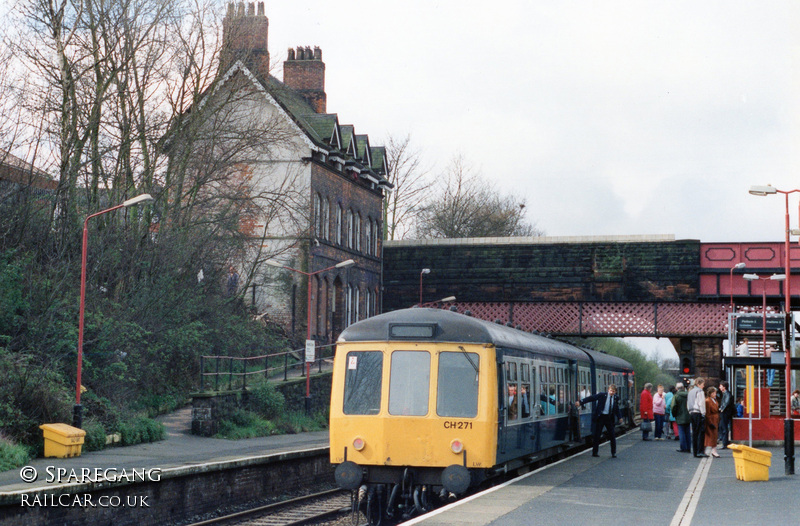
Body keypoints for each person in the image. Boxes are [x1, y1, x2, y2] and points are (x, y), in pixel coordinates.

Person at [577, 384, 623, 458]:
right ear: (608, 390)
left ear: (615, 392)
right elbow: (592, 398)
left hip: (609, 418)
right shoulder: (602, 395)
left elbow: (616, 408)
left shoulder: (615, 398)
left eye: (613, 391)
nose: (612, 392)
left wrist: (620, 417)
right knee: (597, 435)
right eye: (611, 391)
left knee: (612, 435)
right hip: (601, 417)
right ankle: (595, 452)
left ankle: (613, 453)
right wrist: (581, 402)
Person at [687, 377, 707, 457]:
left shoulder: (691, 391)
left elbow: (688, 403)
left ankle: (695, 451)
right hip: (698, 412)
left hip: (692, 412)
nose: (703, 386)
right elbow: (701, 403)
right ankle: (700, 451)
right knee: (700, 433)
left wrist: (689, 411)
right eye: (702, 384)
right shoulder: (700, 391)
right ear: (698, 384)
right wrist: (703, 413)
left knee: (694, 433)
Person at [671, 382, 692, 453]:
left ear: (676, 388)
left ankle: (683, 447)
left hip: (680, 416)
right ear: (683, 388)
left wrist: (675, 414)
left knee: (682, 432)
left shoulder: (676, 396)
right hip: (688, 415)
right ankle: (688, 447)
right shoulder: (688, 395)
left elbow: (673, 407)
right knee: (688, 432)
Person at [704, 386, 720, 458]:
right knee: (710, 436)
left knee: (714, 435)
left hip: (715, 419)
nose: (715, 394)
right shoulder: (707, 401)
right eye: (713, 393)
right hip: (711, 419)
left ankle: (714, 450)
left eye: (715, 393)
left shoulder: (714, 400)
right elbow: (707, 413)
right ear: (710, 393)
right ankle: (711, 450)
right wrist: (710, 422)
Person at [718, 381, 733, 449]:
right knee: (722, 427)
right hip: (725, 412)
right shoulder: (726, 393)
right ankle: (724, 442)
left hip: (725, 413)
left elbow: (726, 402)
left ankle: (725, 443)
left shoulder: (726, 394)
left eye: (720, 386)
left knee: (723, 427)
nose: (719, 387)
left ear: (724, 387)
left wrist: (721, 409)